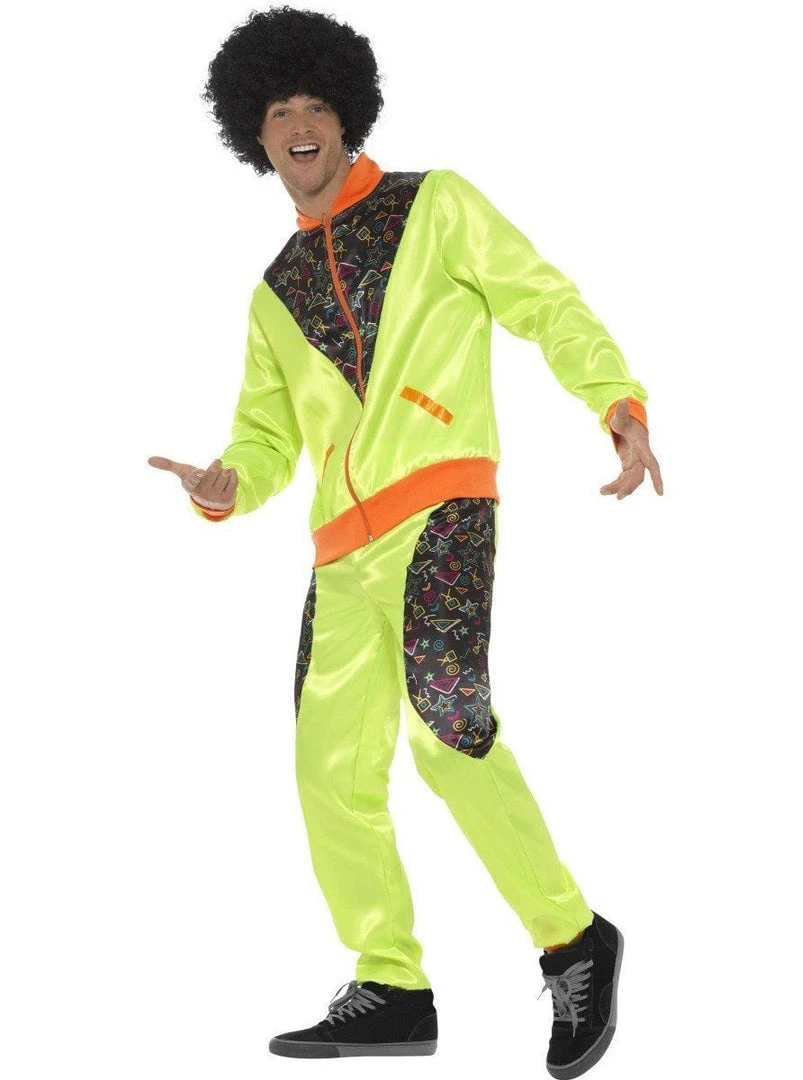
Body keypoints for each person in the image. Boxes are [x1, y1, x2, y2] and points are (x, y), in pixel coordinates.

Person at [148, 6, 663, 1075]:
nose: (298, 126)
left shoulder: (438, 205)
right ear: (254, 135)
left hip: (442, 510)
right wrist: (226, 483)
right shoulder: (273, 296)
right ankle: (389, 984)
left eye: (314, 106)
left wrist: (614, 400)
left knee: (447, 729)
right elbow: (265, 439)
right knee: (327, 768)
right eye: (277, 112)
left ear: (347, 116)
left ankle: (574, 939)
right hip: (339, 552)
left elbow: (541, 300)